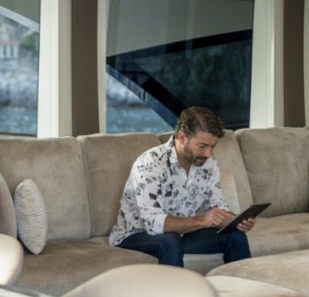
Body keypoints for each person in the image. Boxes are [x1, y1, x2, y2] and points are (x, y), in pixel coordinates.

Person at [108, 106, 254, 267]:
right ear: (182, 137)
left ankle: (241, 290)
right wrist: (202, 221)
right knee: (170, 241)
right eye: (203, 146)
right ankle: (177, 293)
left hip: (183, 234)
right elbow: (153, 223)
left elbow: (217, 207)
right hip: (136, 235)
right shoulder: (150, 164)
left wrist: (233, 222)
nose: (209, 154)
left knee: (236, 236)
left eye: (213, 146)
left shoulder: (209, 165)